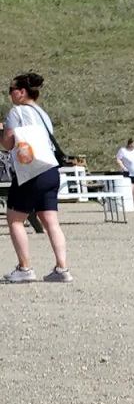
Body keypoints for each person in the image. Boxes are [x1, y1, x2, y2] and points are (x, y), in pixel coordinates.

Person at [2, 72, 72, 284]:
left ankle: (25, 267)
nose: (10, 95)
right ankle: (62, 268)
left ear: (21, 92)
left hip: (30, 171)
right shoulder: (42, 114)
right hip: (50, 169)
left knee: (14, 219)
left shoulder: (16, 112)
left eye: (11, 91)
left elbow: (7, 144)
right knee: (51, 220)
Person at [115, 137, 134, 208]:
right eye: (131, 145)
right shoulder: (123, 150)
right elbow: (118, 159)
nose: (133, 147)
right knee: (129, 188)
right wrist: (123, 167)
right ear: (129, 144)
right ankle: (128, 204)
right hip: (128, 172)